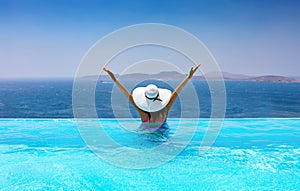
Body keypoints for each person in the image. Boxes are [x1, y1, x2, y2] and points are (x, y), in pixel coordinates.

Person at [103, 64, 200, 129]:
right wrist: (189, 77)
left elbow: (126, 94)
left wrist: (114, 79)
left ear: (145, 97)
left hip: (145, 134)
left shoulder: (142, 113)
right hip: (163, 133)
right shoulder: (165, 109)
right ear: (159, 95)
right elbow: (177, 91)